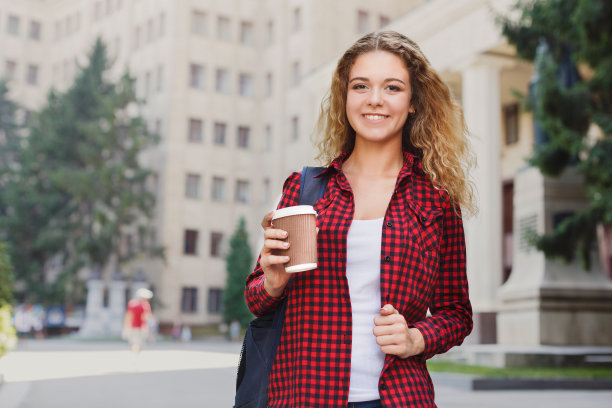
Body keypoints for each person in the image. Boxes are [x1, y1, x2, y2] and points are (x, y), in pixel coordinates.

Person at [245, 30, 476, 408]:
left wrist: (416, 338)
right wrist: (272, 282)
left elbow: (456, 313)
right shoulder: (304, 190)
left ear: (414, 102)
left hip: (399, 397)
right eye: (361, 86)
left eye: (392, 88)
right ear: (346, 97)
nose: (374, 100)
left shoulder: (436, 201)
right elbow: (256, 299)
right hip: (305, 394)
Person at [123, 288, 153, 354]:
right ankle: (136, 356)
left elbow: (128, 316)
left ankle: (133, 354)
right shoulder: (145, 305)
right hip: (141, 327)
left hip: (132, 326)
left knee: (133, 342)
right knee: (138, 343)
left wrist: (126, 326)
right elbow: (146, 317)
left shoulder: (132, 303)